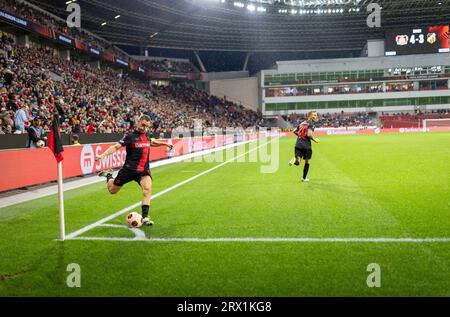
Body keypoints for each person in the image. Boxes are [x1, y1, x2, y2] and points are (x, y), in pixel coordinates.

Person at [95, 115, 173, 225]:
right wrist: (102, 155)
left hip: (143, 171)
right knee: (112, 190)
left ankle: (145, 217)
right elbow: (115, 147)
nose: (144, 128)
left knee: (147, 190)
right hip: (128, 170)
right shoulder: (130, 136)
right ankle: (109, 175)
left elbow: (151, 142)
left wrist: (165, 143)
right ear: (138, 122)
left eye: (147, 126)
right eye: (143, 125)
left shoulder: (147, 135)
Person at [289, 111, 319, 182]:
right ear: (310, 116)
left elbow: (294, 131)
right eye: (314, 115)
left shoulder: (302, 123)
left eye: (316, 115)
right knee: (307, 161)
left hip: (298, 144)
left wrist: (300, 136)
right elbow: (309, 134)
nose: (316, 116)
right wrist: (315, 140)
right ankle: (304, 178)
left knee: (298, 162)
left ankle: (295, 160)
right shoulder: (312, 124)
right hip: (306, 146)